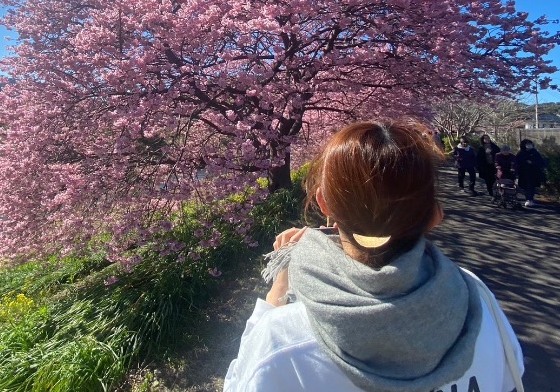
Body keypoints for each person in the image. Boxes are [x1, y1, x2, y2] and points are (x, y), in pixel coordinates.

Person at [224, 120, 525, 392]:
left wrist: (277, 293)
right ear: (433, 214)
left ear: (324, 204)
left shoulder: (283, 340)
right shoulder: (477, 299)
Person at [516, 138, 546, 208]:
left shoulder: (535, 152)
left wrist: (532, 163)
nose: (529, 145)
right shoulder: (521, 153)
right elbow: (517, 162)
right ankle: (528, 199)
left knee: (531, 186)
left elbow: (541, 162)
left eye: (530, 144)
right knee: (525, 186)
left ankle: (530, 199)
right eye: (527, 144)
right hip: (524, 173)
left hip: (534, 173)